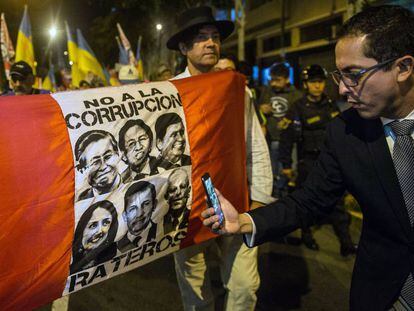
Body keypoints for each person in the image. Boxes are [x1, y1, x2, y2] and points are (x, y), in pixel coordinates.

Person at [202, 5, 414, 310]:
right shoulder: (345, 132)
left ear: (403, 68)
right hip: (383, 297)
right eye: (338, 75)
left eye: (354, 75)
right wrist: (245, 222)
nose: (341, 89)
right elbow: (308, 202)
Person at [167, 6, 273, 311]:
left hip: (237, 200)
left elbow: (254, 142)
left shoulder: (236, 89)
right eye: (201, 38)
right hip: (189, 208)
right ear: (184, 48)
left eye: (214, 37)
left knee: (244, 287)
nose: (211, 43)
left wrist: (262, 198)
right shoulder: (169, 94)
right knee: (196, 293)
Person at [278, 64, 357, 256]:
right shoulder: (298, 107)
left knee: (337, 201)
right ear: (306, 84)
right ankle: (306, 235)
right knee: (307, 201)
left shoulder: (330, 104)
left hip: (331, 160)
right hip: (308, 161)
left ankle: (346, 243)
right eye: (313, 82)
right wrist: (287, 165)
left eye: (320, 82)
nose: (317, 86)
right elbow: (286, 138)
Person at [259, 62, 302, 196]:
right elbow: (257, 109)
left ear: (287, 79)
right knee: (271, 170)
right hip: (270, 139)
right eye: (271, 79)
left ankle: (286, 194)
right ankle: (275, 194)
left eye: (277, 80)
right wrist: (261, 109)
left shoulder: (296, 95)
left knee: (288, 170)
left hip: (289, 142)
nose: (273, 83)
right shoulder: (267, 91)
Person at [70, 200, 118, 274]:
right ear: (82, 228)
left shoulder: (111, 253)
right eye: (93, 225)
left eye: (106, 223)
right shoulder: (67, 259)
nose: (99, 231)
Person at [74, 130, 122, 201]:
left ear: (118, 154)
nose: (103, 167)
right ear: (81, 170)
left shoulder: (137, 181)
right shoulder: (81, 200)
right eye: (95, 162)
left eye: (108, 157)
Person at [117, 181, 158, 252]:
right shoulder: (115, 246)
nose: (139, 214)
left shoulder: (165, 228)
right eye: (132, 208)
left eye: (146, 204)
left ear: (154, 205)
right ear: (124, 215)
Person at [163, 168, 191, 235]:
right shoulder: (160, 222)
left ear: (188, 190)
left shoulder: (193, 217)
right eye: (172, 189)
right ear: (166, 195)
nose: (178, 193)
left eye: (182, 187)